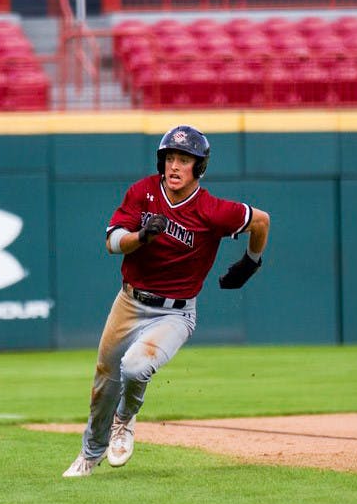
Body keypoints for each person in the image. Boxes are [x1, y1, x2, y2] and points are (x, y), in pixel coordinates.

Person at [63, 125, 271, 477]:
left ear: (199, 167)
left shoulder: (211, 210)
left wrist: (250, 262)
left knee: (135, 367)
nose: (175, 166)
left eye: (184, 160)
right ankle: (90, 453)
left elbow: (261, 220)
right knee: (104, 380)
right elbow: (112, 242)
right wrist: (141, 237)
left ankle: (125, 420)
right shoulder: (143, 192)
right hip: (128, 302)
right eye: (170, 158)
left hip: (174, 313)